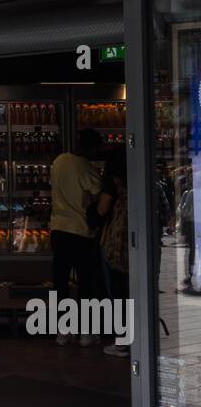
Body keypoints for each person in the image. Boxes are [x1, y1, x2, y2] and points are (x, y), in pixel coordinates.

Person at [49, 127, 104, 346]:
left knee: (60, 282)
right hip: (80, 231)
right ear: (90, 147)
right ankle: (86, 333)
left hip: (58, 229)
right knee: (85, 283)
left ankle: (62, 331)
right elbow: (100, 193)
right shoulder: (85, 167)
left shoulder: (59, 161)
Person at [94, 147, 130, 357]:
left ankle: (122, 341)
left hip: (116, 241)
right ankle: (141, 335)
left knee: (117, 293)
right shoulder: (141, 176)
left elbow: (101, 210)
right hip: (138, 240)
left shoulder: (112, 183)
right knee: (135, 290)